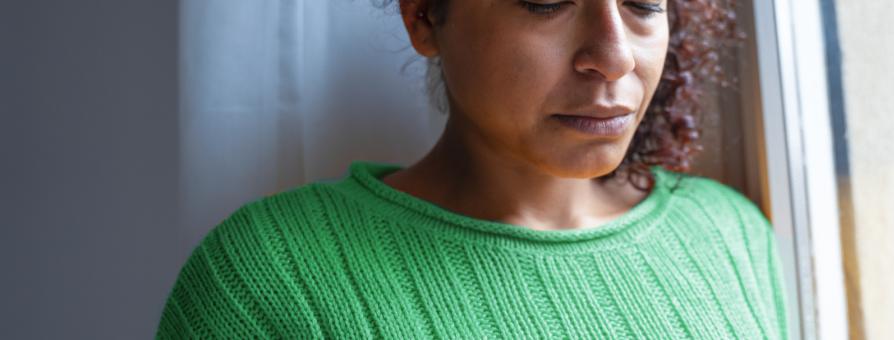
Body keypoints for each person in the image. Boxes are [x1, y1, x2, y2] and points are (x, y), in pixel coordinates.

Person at [156, 0, 789, 338]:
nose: (613, 56)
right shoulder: (269, 277)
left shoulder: (730, 237)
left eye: (644, 3)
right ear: (425, 16)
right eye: (545, 1)